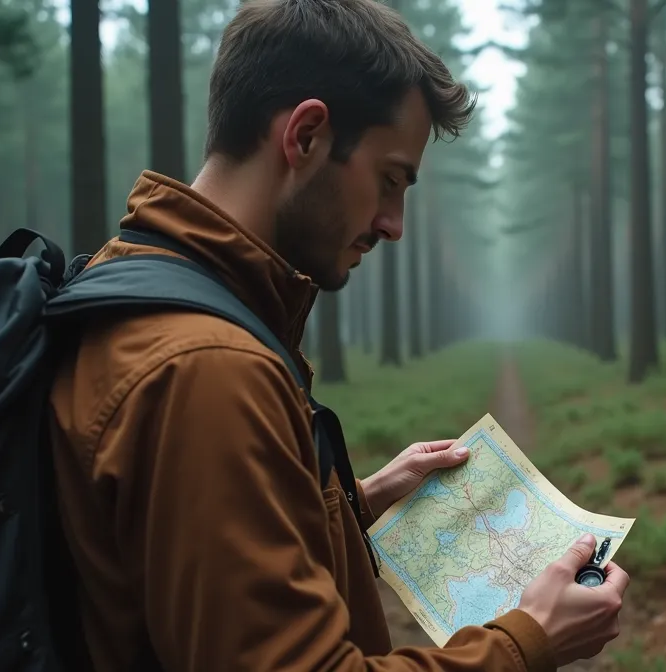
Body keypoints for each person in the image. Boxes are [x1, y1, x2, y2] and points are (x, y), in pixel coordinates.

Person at [46, 0, 628, 670]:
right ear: (306, 136)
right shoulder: (207, 369)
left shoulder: (139, 287)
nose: (393, 224)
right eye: (389, 180)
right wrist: (527, 641)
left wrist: (349, 505)